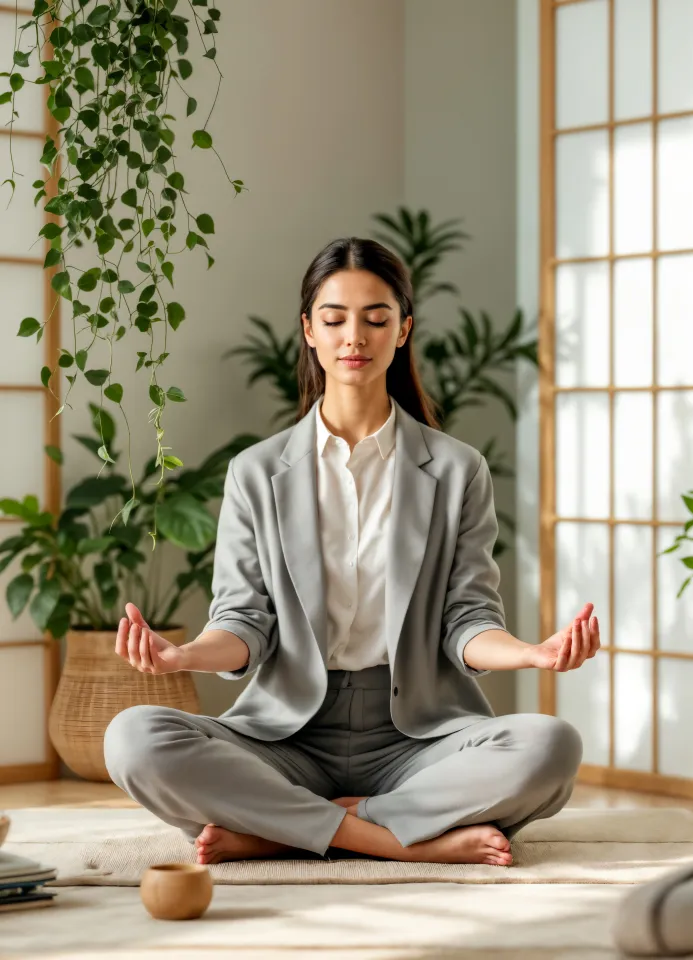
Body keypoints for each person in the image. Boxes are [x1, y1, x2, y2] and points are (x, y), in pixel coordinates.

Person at [104, 237, 599, 868]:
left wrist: (532, 654)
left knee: (549, 746)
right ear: (309, 330)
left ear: (404, 330)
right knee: (134, 739)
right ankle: (391, 839)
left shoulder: (456, 470)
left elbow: (466, 621)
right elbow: (244, 623)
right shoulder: (257, 472)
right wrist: (184, 654)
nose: (354, 338)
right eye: (334, 320)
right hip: (286, 738)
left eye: (376, 319)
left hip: (418, 738)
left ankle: (280, 831)